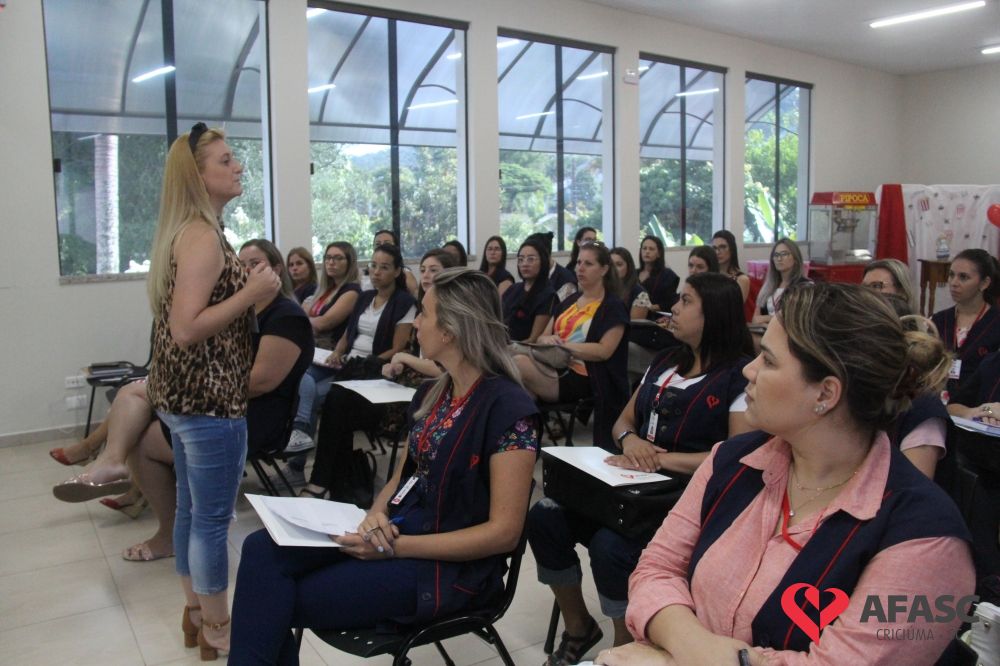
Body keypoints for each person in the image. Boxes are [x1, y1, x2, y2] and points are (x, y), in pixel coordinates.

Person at [597, 282, 972, 666]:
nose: (749, 369)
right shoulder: (732, 461)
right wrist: (693, 645)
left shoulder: (927, 539)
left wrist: (677, 658)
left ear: (825, 394)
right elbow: (656, 568)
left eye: (769, 361)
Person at [229, 268, 540, 665]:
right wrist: (376, 516)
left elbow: (504, 534)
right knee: (261, 549)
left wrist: (394, 548)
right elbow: (400, 477)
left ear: (451, 331)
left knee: (277, 595)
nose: (416, 324)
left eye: (424, 314)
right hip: (399, 533)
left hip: (449, 568)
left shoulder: (509, 410)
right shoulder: (433, 393)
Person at [529, 273, 753, 665]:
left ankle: (623, 645)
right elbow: (623, 422)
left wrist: (660, 459)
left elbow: (734, 456)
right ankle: (579, 626)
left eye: (686, 301)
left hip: (684, 500)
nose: (674, 309)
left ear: (714, 314)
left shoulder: (737, 377)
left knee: (611, 547)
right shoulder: (666, 362)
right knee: (544, 516)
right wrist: (631, 442)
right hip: (631, 489)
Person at [145, 122, 281, 659]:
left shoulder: (188, 232)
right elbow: (186, 328)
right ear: (198, 176)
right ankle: (219, 627)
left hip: (182, 397)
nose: (238, 166)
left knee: (190, 511)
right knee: (211, 520)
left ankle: (196, 613)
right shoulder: (202, 236)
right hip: (209, 400)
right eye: (225, 160)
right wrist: (252, 291)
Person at [120, 239, 313, 567]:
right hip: (224, 405)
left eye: (255, 263)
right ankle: (111, 462)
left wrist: (195, 390)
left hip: (256, 417)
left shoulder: (286, 316)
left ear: (276, 269)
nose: (246, 270)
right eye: (241, 264)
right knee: (138, 406)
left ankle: (165, 531)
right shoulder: (243, 311)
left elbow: (260, 382)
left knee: (141, 438)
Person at [297, 243, 417, 498]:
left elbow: (398, 348)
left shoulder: (404, 302)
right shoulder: (364, 297)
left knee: (336, 404)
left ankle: (321, 481)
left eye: (384, 267)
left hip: (376, 372)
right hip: (349, 368)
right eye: (373, 266)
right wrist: (338, 352)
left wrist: (365, 362)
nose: (376, 272)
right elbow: (349, 334)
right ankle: (334, 482)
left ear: (397, 271)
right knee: (331, 403)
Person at [514, 241, 629, 451]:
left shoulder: (612, 307)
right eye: (578, 262)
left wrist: (566, 346)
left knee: (517, 363)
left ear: (604, 269)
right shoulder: (569, 301)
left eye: (588, 264)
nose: (580, 268)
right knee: (516, 380)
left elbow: (604, 351)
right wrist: (549, 341)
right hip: (552, 364)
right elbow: (541, 338)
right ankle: (523, 436)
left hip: (583, 376)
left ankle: (522, 437)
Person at [931, 248, 1000, 395]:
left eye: (963, 277)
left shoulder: (996, 322)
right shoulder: (938, 320)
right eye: (951, 275)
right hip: (938, 400)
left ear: (984, 283)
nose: (954, 283)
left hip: (981, 403)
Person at [382, 248, 457, 381]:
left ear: (449, 274)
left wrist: (404, 358)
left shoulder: (454, 313)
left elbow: (448, 368)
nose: (425, 275)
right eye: (422, 270)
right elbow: (416, 353)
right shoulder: (420, 309)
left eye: (433, 270)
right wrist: (400, 365)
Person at [503, 238, 558, 343]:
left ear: (542, 262)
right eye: (521, 259)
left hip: (524, 348)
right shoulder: (513, 289)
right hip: (502, 342)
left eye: (530, 259)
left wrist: (505, 348)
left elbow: (534, 339)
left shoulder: (548, 295)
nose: (525, 264)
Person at [752, 237, 808, 325]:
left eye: (784, 254)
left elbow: (797, 319)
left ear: (795, 259)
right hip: (766, 331)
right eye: (776, 255)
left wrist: (767, 318)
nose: (779, 259)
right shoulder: (768, 286)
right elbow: (755, 319)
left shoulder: (805, 286)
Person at [527, 231, 578, 302]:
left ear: (545, 255)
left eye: (531, 258)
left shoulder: (566, 281)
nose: (526, 263)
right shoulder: (533, 275)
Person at [638, 235, 680, 316]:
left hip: (656, 317)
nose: (647, 251)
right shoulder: (634, 273)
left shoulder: (668, 275)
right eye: (644, 248)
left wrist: (652, 307)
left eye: (651, 249)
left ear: (659, 254)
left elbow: (671, 302)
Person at [368, 229, 418, 294]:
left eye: (387, 243)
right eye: (378, 244)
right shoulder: (364, 275)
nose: (382, 246)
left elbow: (416, 296)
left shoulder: (406, 274)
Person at [610, 247, 651, 320]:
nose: (614, 269)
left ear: (628, 267)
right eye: (611, 265)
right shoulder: (603, 288)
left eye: (619, 264)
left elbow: (635, 325)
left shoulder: (640, 293)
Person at [711, 229, 751, 302]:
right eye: (714, 248)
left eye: (723, 247)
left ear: (732, 249)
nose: (717, 252)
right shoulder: (709, 273)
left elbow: (737, 306)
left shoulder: (741, 279)